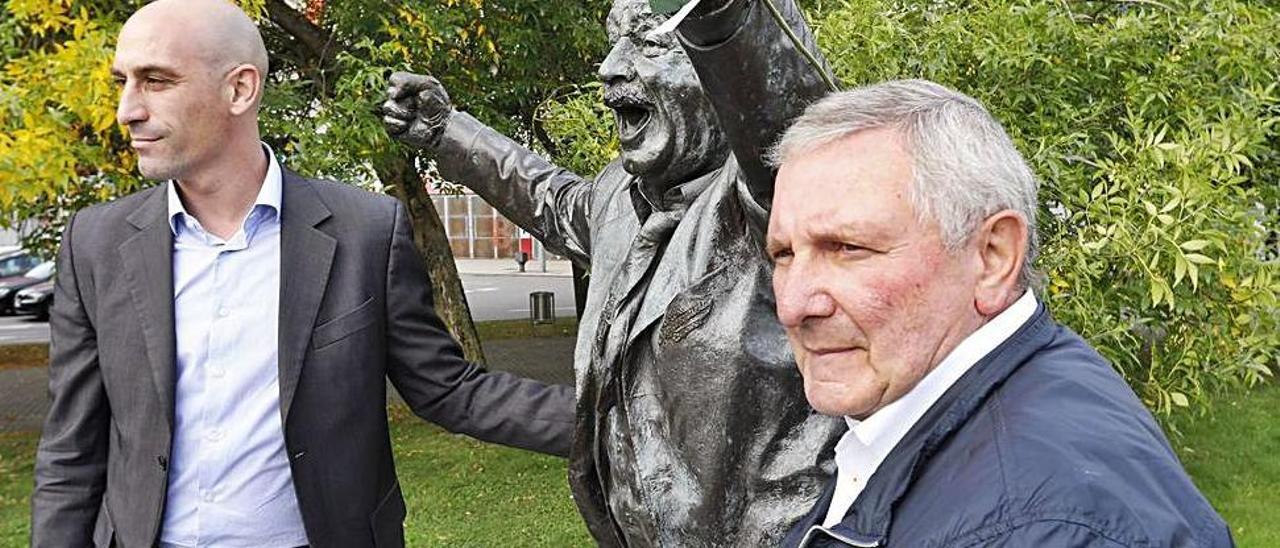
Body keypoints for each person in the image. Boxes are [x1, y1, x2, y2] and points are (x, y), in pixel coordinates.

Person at [29, 1, 574, 546]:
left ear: (240, 89)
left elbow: (450, 390)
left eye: (156, 81)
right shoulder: (95, 243)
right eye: (123, 81)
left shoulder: (365, 232)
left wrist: (623, 417)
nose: (127, 109)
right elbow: (70, 452)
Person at [382, 0, 844, 545]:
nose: (610, 67)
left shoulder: (776, 198)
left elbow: (781, 105)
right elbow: (547, 198)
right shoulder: (618, 201)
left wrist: (719, 13)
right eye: (615, 43)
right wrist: (447, 132)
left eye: (648, 44)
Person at [766, 79, 1233, 547]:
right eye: (783, 254)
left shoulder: (1035, 527)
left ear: (993, 257)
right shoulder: (999, 395)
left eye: (847, 248)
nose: (791, 306)